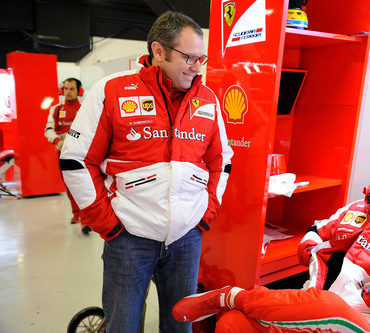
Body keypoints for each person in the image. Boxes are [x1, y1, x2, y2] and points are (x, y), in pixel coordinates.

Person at [59, 11, 233, 333]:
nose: (198, 67)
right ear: (158, 51)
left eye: (202, 58)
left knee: (180, 325)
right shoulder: (111, 90)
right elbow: (75, 160)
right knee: (122, 326)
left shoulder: (206, 98)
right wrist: (108, 224)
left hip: (186, 238)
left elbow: (222, 161)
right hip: (129, 237)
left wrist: (205, 216)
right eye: (190, 58)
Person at [173, 146, 370, 333]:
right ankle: (233, 304)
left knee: (331, 307)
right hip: (314, 304)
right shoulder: (357, 208)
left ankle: (230, 296)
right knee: (232, 324)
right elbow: (317, 229)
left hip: (366, 321)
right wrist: (310, 250)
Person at [44, 77, 87, 230]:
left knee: (83, 185)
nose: (68, 92)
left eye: (72, 89)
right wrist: (58, 141)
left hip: (82, 154)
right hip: (62, 153)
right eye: (66, 89)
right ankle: (76, 213)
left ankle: (85, 219)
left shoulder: (85, 108)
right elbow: (48, 130)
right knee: (69, 185)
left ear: (79, 91)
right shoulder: (55, 109)